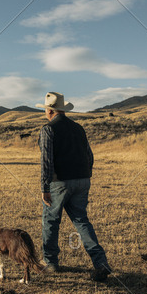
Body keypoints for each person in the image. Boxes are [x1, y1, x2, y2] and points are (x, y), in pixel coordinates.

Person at [36, 92, 112, 282]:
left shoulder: (48, 129)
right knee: (81, 221)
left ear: (50, 110)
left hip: (60, 182)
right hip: (82, 179)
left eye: (46, 109)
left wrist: (45, 187)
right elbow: (89, 155)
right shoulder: (78, 128)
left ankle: (50, 262)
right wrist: (86, 175)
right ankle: (100, 262)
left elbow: (47, 161)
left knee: (51, 221)